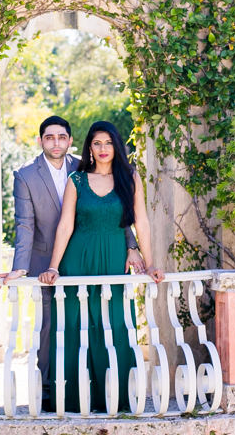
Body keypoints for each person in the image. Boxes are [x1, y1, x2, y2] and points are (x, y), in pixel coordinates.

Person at [0, 116, 144, 411]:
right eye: (50, 137)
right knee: (55, 327)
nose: (56, 142)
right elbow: (24, 224)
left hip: (98, 254)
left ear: (71, 141)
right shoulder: (25, 175)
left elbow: (115, 209)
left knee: (104, 321)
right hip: (51, 261)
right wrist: (20, 267)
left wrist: (131, 245)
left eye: (62, 137)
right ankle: (53, 391)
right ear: (41, 141)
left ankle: (106, 387)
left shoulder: (85, 167)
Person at [39, 120, 163, 413]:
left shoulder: (130, 178)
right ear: (89, 148)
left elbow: (140, 222)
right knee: (74, 326)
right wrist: (54, 267)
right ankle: (72, 400)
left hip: (113, 258)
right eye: (97, 143)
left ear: (116, 146)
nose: (103, 148)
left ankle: (116, 397)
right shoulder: (77, 180)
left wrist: (150, 262)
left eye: (108, 143)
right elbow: (65, 225)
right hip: (77, 259)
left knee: (115, 324)